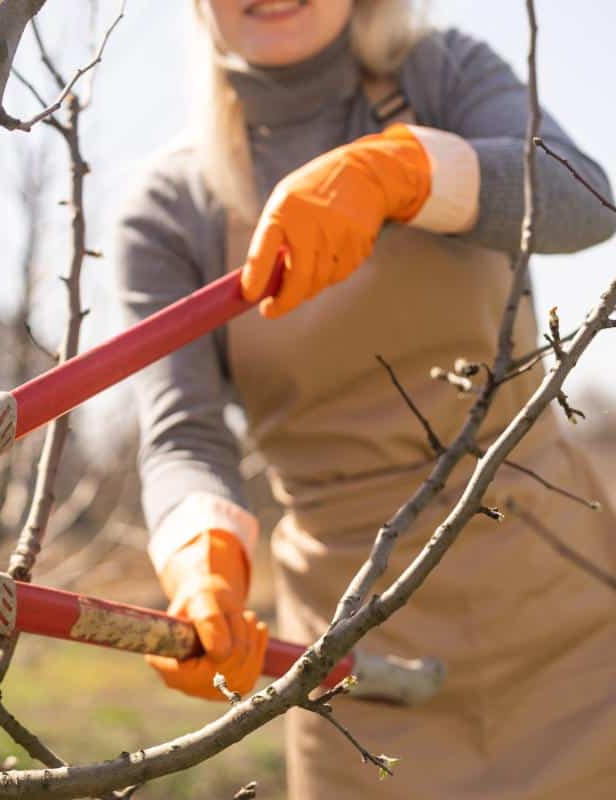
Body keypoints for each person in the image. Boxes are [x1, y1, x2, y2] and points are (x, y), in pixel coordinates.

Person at [113, 1, 616, 796]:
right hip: (358, 655)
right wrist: (200, 565)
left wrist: (399, 171)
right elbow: (184, 438)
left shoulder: (441, 74)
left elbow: (584, 197)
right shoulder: (173, 206)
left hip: (566, 615)